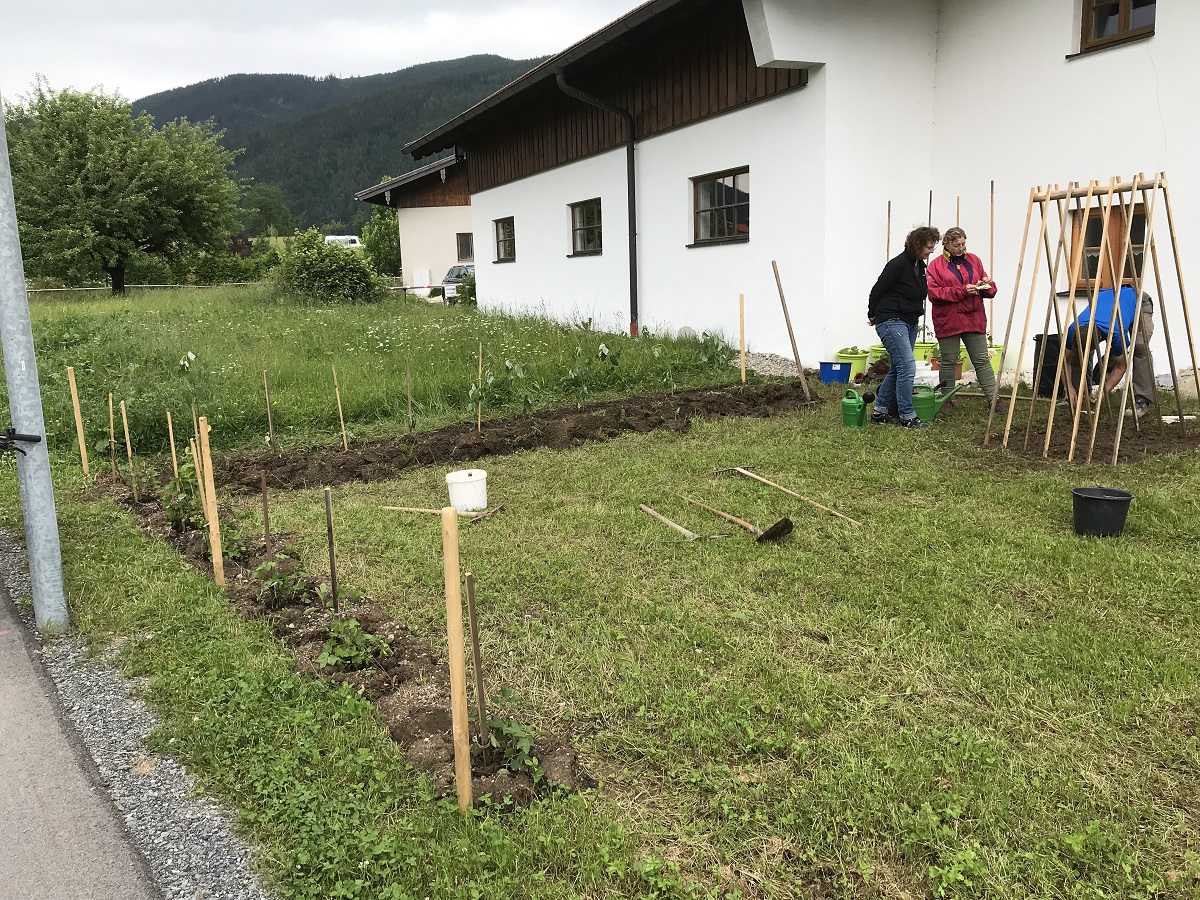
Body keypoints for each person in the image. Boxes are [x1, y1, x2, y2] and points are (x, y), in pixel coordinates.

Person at [867, 225, 941, 428]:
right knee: (907, 367)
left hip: (909, 321)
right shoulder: (898, 265)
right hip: (891, 320)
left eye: (933, 246)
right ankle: (907, 415)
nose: (931, 251)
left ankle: (880, 412)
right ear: (917, 244)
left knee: (898, 368)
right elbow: (877, 289)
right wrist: (872, 313)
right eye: (928, 246)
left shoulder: (920, 267)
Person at [926, 227, 1003, 409]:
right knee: (949, 360)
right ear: (947, 244)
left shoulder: (974, 260)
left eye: (963, 244)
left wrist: (987, 285)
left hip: (973, 317)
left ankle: (994, 400)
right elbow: (934, 293)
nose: (961, 248)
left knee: (981, 359)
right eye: (956, 245)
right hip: (948, 319)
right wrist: (961, 291)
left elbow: (987, 285)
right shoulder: (935, 266)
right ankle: (947, 400)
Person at [1062, 285, 1155, 417]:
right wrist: (1068, 388)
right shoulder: (1074, 328)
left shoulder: (1115, 331)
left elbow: (1121, 366)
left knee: (1139, 347)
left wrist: (1104, 391)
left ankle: (1142, 400)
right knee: (1077, 354)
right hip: (1112, 302)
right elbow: (1065, 360)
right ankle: (1074, 396)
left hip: (1139, 303)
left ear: (1098, 342)